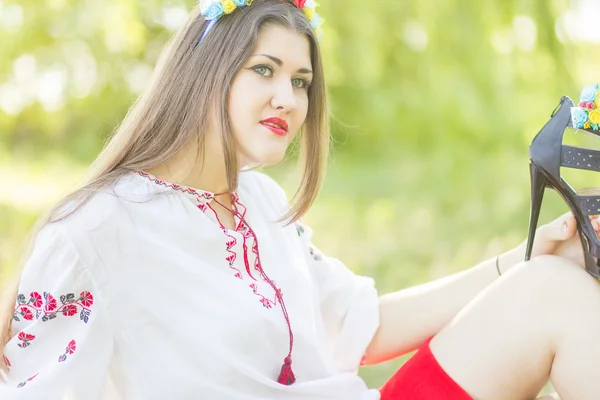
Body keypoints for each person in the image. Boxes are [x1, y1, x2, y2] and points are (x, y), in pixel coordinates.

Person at [1, 0, 600, 399]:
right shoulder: (99, 228)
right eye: (264, 70)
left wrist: (526, 256)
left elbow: (357, 328)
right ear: (206, 71)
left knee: (548, 286)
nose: (288, 97)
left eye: (301, 81)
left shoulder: (258, 203)